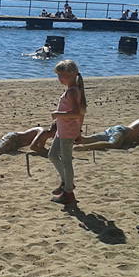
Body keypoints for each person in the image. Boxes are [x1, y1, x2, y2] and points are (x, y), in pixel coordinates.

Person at [49, 59, 86, 205]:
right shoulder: (72, 90)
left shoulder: (72, 92)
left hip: (67, 132)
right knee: (52, 155)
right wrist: (58, 121)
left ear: (72, 75)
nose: (59, 79)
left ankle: (68, 193)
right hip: (63, 130)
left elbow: (76, 113)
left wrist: (58, 114)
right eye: (58, 75)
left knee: (66, 161)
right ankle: (66, 182)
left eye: (61, 75)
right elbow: (79, 114)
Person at [75, 108, 139, 151]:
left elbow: (136, 136)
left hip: (117, 128)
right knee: (113, 144)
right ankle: (85, 147)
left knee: (90, 138)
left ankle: (73, 140)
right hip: (122, 131)